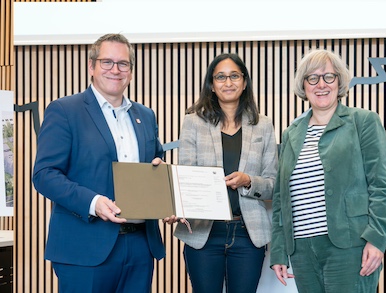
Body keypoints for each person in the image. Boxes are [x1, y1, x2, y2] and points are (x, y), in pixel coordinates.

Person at [32, 33, 166, 293]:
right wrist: (93, 203)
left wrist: (164, 191)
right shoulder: (65, 110)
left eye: (123, 64)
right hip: (85, 247)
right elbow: (45, 174)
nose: (115, 70)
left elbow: (156, 162)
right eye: (107, 62)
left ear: (131, 71)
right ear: (91, 67)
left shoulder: (146, 115)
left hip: (140, 248)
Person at [270, 49, 386, 292]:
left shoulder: (363, 121)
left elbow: (382, 186)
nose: (321, 85)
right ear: (303, 85)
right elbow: (280, 199)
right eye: (312, 78)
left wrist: (377, 240)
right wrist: (279, 251)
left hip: (350, 246)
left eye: (328, 76)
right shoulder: (291, 133)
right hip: (302, 250)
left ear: (339, 81)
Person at [164, 53, 278, 293]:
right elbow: (185, 178)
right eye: (221, 77)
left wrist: (249, 181)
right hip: (203, 232)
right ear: (212, 85)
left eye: (234, 76)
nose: (228, 83)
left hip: (248, 234)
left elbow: (272, 184)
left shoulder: (263, 125)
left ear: (245, 82)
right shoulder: (193, 123)